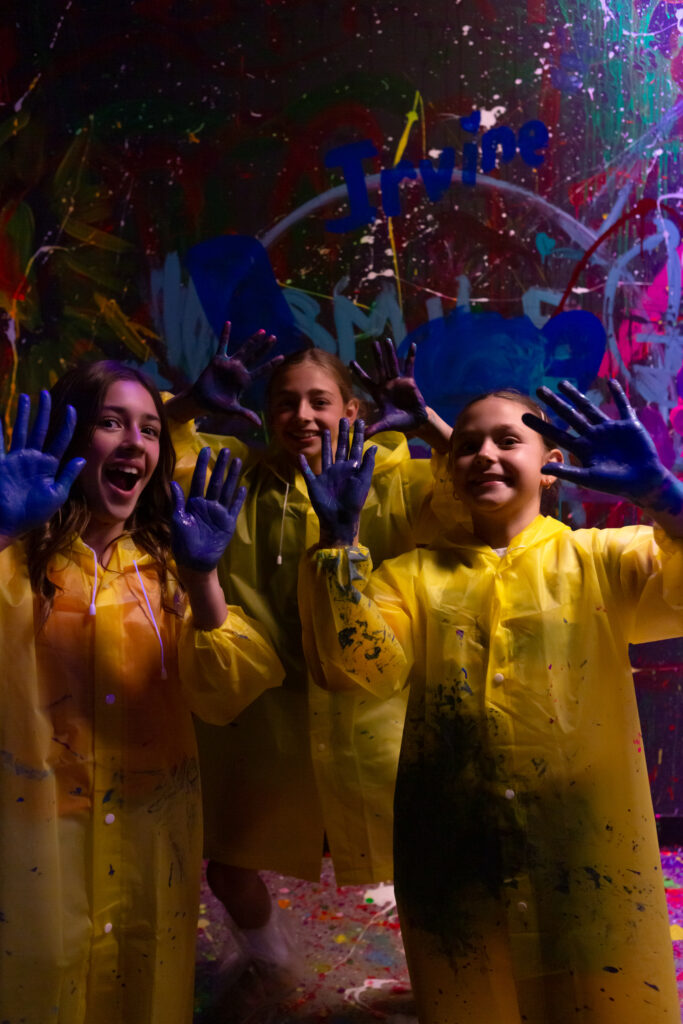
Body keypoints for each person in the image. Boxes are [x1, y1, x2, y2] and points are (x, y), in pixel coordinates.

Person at [297, 381, 683, 1023]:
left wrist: (665, 499)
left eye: (508, 440)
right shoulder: (411, 575)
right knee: (476, 991)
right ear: (448, 470)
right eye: (467, 444)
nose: (483, 454)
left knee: (598, 993)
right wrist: (340, 545)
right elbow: (360, 669)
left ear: (550, 468)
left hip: (587, 849)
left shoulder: (600, 559)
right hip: (455, 851)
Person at [0, 361, 284, 1024]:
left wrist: (203, 579)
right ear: (73, 439)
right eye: (111, 422)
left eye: (151, 430)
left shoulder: (166, 569)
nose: (136, 442)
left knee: (143, 980)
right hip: (38, 834)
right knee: (40, 984)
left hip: (149, 835)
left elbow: (227, 691)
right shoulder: (20, 555)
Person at [165, 328, 454, 974]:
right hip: (266, 725)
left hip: (373, 719)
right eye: (286, 403)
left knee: (419, 861)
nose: (302, 416)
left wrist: (430, 426)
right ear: (266, 415)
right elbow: (149, 452)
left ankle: (442, 984)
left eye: (320, 402)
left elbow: (469, 496)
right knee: (230, 866)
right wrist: (186, 405)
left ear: (352, 412)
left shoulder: (394, 478)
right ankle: (274, 969)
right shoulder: (233, 476)